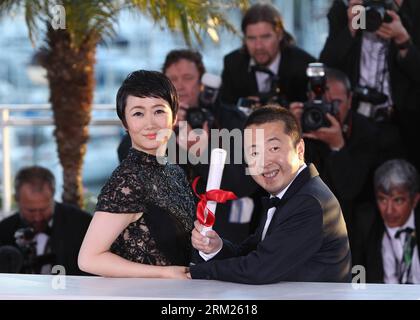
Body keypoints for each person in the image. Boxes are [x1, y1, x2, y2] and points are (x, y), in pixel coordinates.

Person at [188, 106, 351, 284]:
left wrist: (192, 272)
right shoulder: (290, 194)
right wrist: (216, 248)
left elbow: (259, 269)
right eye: (254, 153)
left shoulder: (308, 202)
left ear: (300, 149)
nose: (264, 162)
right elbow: (252, 255)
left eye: (274, 148)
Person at [78, 70, 195, 278]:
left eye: (159, 111)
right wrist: (162, 274)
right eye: (138, 113)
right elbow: (89, 259)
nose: (150, 123)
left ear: (175, 116)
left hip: (178, 295)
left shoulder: (175, 171)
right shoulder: (127, 180)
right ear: (125, 123)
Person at [320, 0, 420, 170]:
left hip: (400, 125)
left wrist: (403, 39)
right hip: (354, 123)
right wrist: (350, 29)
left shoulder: (411, 12)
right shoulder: (343, 11)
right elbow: (328, 68)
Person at [290, 68, 379, 237]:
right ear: (310, 99)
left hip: (347, 225)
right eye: (323, 103)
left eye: (336, 103)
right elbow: (285, 184)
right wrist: (292, 135)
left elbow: (350, 190)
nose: (330, 110)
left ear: (350, 100)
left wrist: (337, 146)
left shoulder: (366, 132)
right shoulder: (303, 123)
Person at [219, 3, 316, 108]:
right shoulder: (233, 64)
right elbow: (223, 112)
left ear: (279, 35)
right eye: (251, 38)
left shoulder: (304, 65)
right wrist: (241, 110)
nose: (258, 46)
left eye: (265, 37)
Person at [0, 166, 91, 275]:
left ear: (53, 196)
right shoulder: (4, 231)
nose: (38, 217)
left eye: (43, 209)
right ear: (17, 200)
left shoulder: (82, 225)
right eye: (31, 211)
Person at [352, 159, 420, 284]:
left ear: (415, 200)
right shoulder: (365, 223)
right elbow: (357, 268)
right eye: (382, 200)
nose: (389, 211)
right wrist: (358, 293)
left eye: (398, 200)